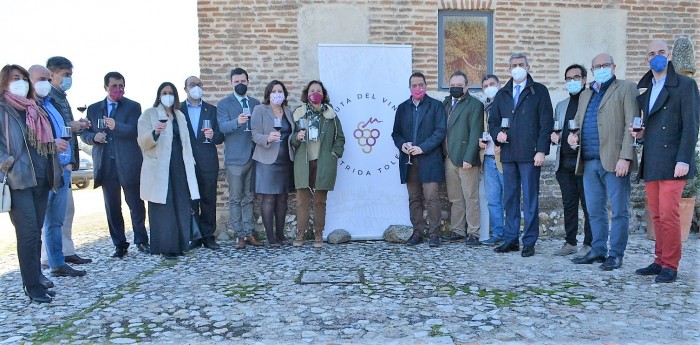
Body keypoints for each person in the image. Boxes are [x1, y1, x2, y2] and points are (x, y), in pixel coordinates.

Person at [633, 39, 699, 283]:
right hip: (652, 159)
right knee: (657, 214)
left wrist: (684, 159)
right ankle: (659, 260)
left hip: (674, 160)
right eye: (652, 53)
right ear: (647, 59)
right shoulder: (648, 89)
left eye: (661, 52)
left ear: (669, 56)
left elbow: (691, 125)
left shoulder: (685, 85)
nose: (657, 56)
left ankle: (671, 265)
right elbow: (651, 127)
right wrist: (640, 135)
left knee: (670, 214)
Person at [568, 53, 639, 270]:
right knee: (594, 210)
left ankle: (616, 254)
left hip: (615, 160)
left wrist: (625, 157)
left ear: (614, 67)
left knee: (619, 211)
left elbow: (632, 124)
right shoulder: (586, 94)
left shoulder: (626, 88)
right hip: (589, 161)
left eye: (605, 65)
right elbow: (579, 123)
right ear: (591, 71)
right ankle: (598, 250)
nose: (601, 68)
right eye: (597, 66)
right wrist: (574, 137)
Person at [0, 64, 62, 303]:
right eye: (16, 78)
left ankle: (37, 279)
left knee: (35, 234)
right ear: (5, 82)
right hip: (19, 180)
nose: (22, 83)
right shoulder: (3, 110)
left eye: (24, 79)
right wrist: (6, 161)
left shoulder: (34, 109)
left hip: (41, 179)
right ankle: (32, 285)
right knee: (27, 235)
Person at [488, 53, 553, 257]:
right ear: (509, 69)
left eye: (521, 64)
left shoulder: (539, 91)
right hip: (508, 153)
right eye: (514, 65)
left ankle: (530, 241)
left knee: (530, 199)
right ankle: (511, 239)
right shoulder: (503, 93)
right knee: (510, 198)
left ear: (528, 67)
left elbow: (546, 122)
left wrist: (541, 150)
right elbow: (493, 121)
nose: (517, 68)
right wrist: (496, 134)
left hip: (530, 154)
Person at [81, 72, 149, 258]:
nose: (118, 89)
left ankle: (141, 240)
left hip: (128, 163)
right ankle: (119, 244)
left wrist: (115, 126)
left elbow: (135, 129)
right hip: (106, 164)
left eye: (121, 86)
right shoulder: (94, 109)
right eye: (114, 86)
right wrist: (93, 137)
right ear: (105, 88)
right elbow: (85, 134)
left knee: (135, 204)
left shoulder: (133, 106)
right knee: (112, 206)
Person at [28, 65, 85, 277]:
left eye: (47, 78)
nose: (45, 82)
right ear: (29, 81)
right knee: (38, 223)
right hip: (44, 170)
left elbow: (63, 132)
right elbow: (28, 138)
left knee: (56, 221)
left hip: (62, 168)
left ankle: (57, 263)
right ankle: (35, 272)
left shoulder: (51, 104)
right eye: (40, 79)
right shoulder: (29, 107)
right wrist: (51, 143)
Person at [138, 82, 200, 259]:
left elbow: (186, 142)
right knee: (163, 207)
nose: (168, 95)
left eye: (171, 93)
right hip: (159, 167)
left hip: (180, 165)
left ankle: (181, 244)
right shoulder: (149, 114)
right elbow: (142, 141)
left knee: (181, 203)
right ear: (159, 95)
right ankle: (166, 247)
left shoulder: (180, 115)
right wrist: (154, 133)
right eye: (164, 92)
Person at [42, 56, 92, 266]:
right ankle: (51, 258)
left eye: (70, 75)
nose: (69, 79)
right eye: (65, 75)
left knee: (66, 211)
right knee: (53, 216)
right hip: (55, 162)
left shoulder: (62, 96)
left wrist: (77, 126)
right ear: (51, 75)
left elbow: (66, 126)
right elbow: (53, 129)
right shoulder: (48, 98)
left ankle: (66, 250)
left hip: (66, 161)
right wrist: (74, 126)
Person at [391, 72, 447, 247]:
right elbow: (396, 133)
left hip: (429, 158)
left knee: (432, 197)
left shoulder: (436, 106)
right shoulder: (402, 108)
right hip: (408, 160)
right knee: (414, 198)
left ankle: (434, 233)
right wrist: (402, 145)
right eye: (414, 85)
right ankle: (417, 232)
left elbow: (440, 131)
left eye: (420, 84)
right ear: (409, 88)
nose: (417, 88)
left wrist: (422, 147)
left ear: (426, 85)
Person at [291, 80, 345, 248]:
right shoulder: (299, 113)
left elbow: (340, 138)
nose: (315, 93)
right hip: (303, 162)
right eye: (312, 90)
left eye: (318, 90)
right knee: (302, 200)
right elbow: (291, 139)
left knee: (320, 201)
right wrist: (296, 138)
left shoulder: (331, 116)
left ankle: (318, 234)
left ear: (323, 94)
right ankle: (301, 233)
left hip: (323, 163)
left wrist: (334, 155)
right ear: (307, 94)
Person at [217, 67, 263, 249]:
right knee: (235, 198)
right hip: (235, 159)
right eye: (236, 82)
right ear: (231, 83)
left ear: (248, 82)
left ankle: (250, 233)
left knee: (249, 197)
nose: (240, 84)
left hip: (253, 157)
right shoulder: (224, 104)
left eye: (243, 81)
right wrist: (237, 121)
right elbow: (222, 127)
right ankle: (239, 235)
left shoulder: (255, 103)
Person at [550, 64, 593, 257]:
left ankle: (590, 243)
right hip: (564, 162)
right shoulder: (561, 105)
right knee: (569, 204)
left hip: (583, 162)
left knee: (588, 204)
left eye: (576, 77)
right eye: (568, 79)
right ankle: (570, 242)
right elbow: (555, 128)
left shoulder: (591, 101)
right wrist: (553, 137)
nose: (572, 81)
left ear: (584, 79)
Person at [181, 76, 223, 251]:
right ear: (185, 89)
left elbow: (221, 137)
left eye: (199, 84)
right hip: (186, 161)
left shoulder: (211, 110)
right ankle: (194, 235)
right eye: (192, 85)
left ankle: (208, 235)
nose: (196, 87)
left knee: (208, 198)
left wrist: (212, 135)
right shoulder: (178, 110)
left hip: (208, 161)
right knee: (190, 200)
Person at [251, 80, 295, 247]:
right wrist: (267, 138)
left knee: (283, 198)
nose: (277, 94)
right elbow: (254, 134)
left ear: (284, 94)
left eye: (280, 91)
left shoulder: (288, 111)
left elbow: (292, 132)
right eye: (274, 91)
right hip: (266, 160)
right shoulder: (260, 110)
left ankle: (280, 234)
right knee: (268, 198)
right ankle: (270, 236)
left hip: (285, 160)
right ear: (268, 94)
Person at [442, 71, 483, 246]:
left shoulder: (475, 105)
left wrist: (469, 157)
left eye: (459, 85)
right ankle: (457, 230)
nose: (455, 88)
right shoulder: (445, 103)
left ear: (466, 86)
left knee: (471, 197)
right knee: (455, 198)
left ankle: (474, 232)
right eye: (452, 85)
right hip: (449, 157)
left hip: (466, 159)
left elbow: (475, 132)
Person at [479, 74, 505, 246]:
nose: (489, 87)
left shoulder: (506, 104)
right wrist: (479, 142)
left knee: (509, 198)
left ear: (499, 84)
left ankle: (512, 233)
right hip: (487, 159)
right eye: (486, 85)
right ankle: (497, 233)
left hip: (504, 158)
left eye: (492, 84)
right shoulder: (483, 109)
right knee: (493, 200)